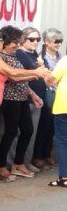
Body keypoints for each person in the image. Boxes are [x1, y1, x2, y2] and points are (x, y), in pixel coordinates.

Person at [0, 29, 47, 187]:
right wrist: (36, 71)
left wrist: (35, 75)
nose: (1, 42)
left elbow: (12, 77)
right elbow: (12, 72)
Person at [0, 26, 44, 181]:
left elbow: (22, 80)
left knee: (28, 130)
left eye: (17, 42)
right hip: (10, 99)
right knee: (10, 132)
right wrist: (36, 74)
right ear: (5, 42)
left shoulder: (15, 55)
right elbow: (14, 77)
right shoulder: (1, 57)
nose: (16, 45)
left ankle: (18, 163)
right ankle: (1, 165)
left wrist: (33, 93)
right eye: (14, 42)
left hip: (22, 98)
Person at [11, 27, 46, 173]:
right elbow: (19, 76)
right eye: (32, 39)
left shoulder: (36, 55)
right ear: (23, 40)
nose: (35, 42)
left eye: (38, 39)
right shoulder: (19, 53)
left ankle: (25, 161)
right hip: (24, 98)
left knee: (31, 133)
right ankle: (12, 162)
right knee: (18, 133)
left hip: (37, 99)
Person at [34, 28, 63, 170]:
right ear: (46, 42)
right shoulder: (41, 57)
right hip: (46, 93)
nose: (58, 44)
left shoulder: (59, 55)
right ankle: (38, 155)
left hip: (58, 94)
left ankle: (46, 153)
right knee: (43, 125)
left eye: (60, 41)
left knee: (52, 126)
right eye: (55, 41)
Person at [46, 54, 67, 188]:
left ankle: (64, 177)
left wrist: (45, 73)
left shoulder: (65, 60)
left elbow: (51, 81)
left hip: (63, 106)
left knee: (62, 141)